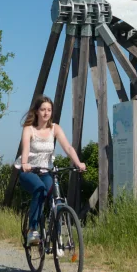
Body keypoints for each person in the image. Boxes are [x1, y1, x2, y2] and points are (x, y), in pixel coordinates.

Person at [15, 95, 86, 246]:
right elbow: (26, 148)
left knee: (54, 196)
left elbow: (67, 147)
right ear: (37, 111)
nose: (46, 113)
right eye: (43, 110)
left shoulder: (55, 128)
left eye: (49, 110)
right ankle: (33, 230)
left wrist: (78, 163)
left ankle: (55, 230)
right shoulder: (29, 129)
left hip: (46, 171)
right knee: (39, 189)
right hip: (29, 171)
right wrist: (25, 163)